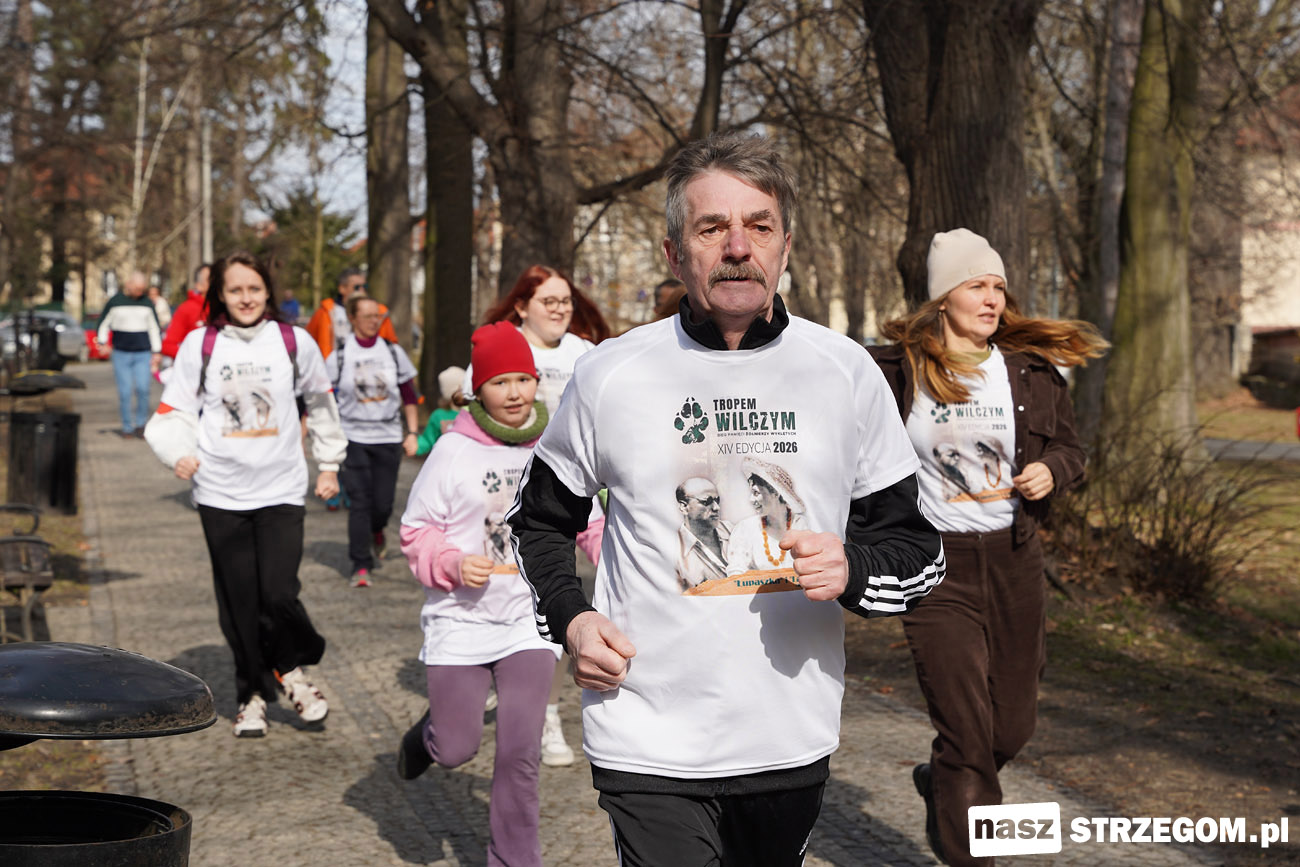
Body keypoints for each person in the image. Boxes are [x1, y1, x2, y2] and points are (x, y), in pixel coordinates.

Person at [508, 131, 945, 866]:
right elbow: (540, 521)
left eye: (759, 227)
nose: (738, 247)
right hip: (646, 733)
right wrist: (573, 620)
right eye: (713, 228)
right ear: (676, 253)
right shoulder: (613, 374)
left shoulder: (845, 373)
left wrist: (855, 570)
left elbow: (921, 553)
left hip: (787, 735)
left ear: (785, 246)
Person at [868, 228, 1107, 866]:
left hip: (1013, 558)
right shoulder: (894, 371)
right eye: (977, 284)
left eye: (998, 286)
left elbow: (1072, 450)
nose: (992, 298)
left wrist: (1053, 471)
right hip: (935, 565)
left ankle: (939, 780)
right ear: (944, 295)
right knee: (968, 735)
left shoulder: (1027, 370)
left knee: (1012, 728)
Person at [395, 321, 604, 867]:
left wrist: (622, 563)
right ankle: (428, 736)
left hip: (528, 622)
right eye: (500, 382)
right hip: (460, 621)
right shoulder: (452, 450)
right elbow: (417, 532)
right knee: (457, 747)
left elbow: (588, 523)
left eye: (523, 379)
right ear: (477, 390)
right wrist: (452, 562)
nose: (514, 393)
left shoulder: (556, 445)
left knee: (520, 753)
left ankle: (513, 861)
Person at [143, 250, 347, 738]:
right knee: (239, 602)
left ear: (267, 292)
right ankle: (253, 694)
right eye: (235, 290)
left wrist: (330, 464)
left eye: (254, 289)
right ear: (220, 295)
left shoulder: (293, 341)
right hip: (220, 492)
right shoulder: (201, 345)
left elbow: (321, 404)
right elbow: (172, 411)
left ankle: (293, 665)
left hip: (280, 488)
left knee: (278, 594)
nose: (246, 298)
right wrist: (178, 453)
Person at [473, 264, 613, 766]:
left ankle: (547, 709)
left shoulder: (586, 354)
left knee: (566, 597)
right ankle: (504, 673)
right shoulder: (505, 342)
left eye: (565, 302)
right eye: (548, 301)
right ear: (521, 306)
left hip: (580, 494)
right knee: (515, 595)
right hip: (513, 489)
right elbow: (470, 390)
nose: (559, 309)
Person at [328, 295, 420, 587]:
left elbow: (408, 394)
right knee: (359, 502)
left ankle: (377, 531)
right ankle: (361, 565)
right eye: (366, 316)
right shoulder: (340, 356)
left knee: (382, 504)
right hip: (352, 438)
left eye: (377, 316)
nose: (373, 321)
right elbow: (324, 397)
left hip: (388, 436)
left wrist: (413, 432)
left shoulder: (393, 352)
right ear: (352, 319)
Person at [97, 271, 162, 438]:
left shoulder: (147, 303)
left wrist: (157, 351)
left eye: (143, 289)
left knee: (143, 389)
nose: (140, 292)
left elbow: (154, 328)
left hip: (143, 353)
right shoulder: (115, 302)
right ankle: (127, 427)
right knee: (125, 392)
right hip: (121, 353)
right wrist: (103, 342)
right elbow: (103, 324)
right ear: (129, 284)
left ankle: (141, 425)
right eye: (138, 289)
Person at [724, 457, 811, 577]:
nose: (751, 500)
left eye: (756, 493)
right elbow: (736, 572)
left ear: (775, 492)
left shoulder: (801, 525)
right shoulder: (745, 529)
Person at [305, 266, 397, 359]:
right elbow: (309, 342)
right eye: (357, 287)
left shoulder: (380, 312)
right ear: (342, 289)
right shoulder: (325, 312)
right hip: (335, 369)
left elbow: (391, 344)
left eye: (364, 286)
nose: (362, 290)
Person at [674, 476, 730, 590]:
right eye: (707, 501)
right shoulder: (674, 553)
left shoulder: (735, 530)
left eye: (717, 500)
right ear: (684, 507)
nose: (716, 507)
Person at [161, 264, 211, 360]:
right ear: (199, 286)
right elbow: (168, 345)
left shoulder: (227, 308)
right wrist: (193, 359)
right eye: (210, 279)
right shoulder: (186, 309)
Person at [415, 365, 466, 457]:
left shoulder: (474, 414)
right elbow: (428, 439)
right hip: (445, 462)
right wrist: (415, 445)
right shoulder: (438, 415)